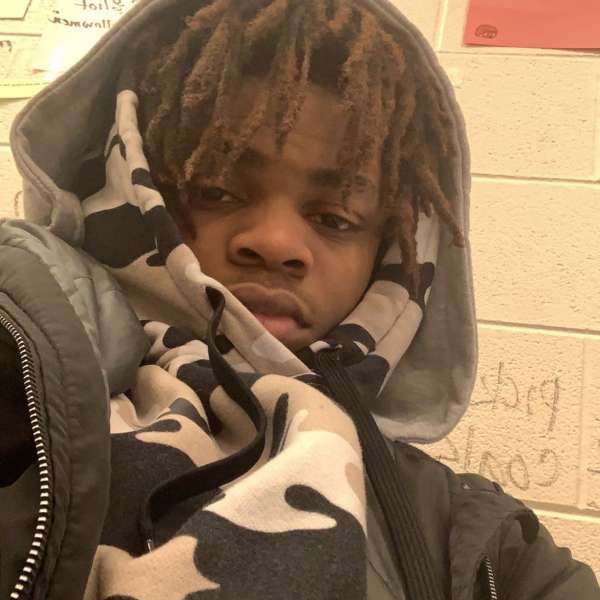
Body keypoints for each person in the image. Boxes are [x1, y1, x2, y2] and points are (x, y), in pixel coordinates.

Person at [1, 0, 598, 598]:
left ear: (389, 258)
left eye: (336, 217)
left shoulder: (477, 540)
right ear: (127, 188)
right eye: (216, 189)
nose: (277, 243)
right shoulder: (15, 398)